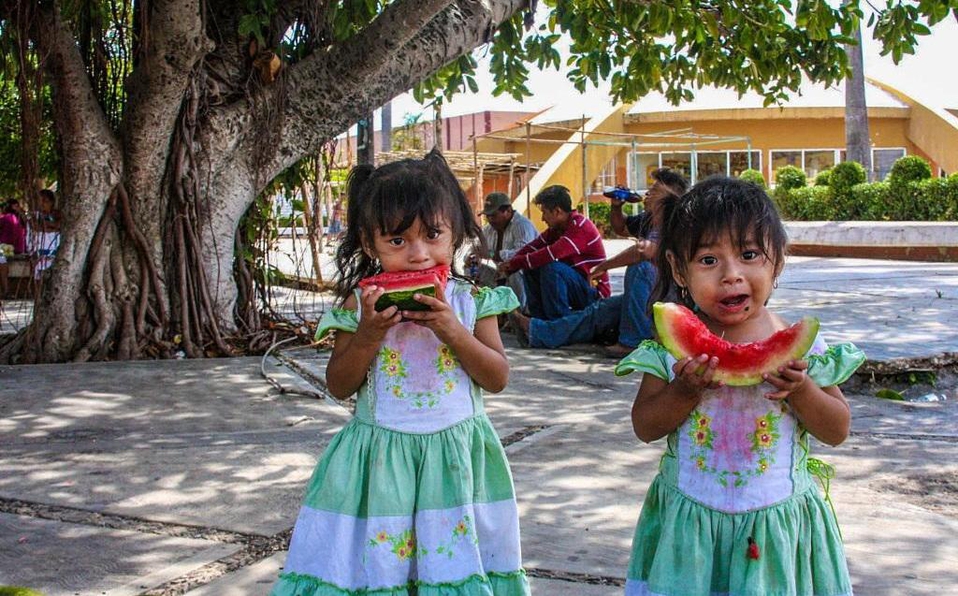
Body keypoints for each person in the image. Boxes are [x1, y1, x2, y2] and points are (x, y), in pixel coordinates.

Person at [271, 149, 530, 596]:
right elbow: (339, 385)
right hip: (378, 462)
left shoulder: (473, 301)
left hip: (454, 462)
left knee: (447, 565)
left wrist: (454, 331)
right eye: (397, 241)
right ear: (370, 245)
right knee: (383, 569)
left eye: (432, 235)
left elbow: (497, 377)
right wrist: (369, 333)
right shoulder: (359, 304)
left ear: (456, 235)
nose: (418, 255)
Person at [615, 176, 865, 596]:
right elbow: (645, 425)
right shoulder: (669, 347)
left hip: (774, 525)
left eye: (749, 255)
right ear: (679, 269)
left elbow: (837, 429)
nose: (731, 276)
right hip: (693, 527)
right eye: (708, 260)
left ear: (777, 263)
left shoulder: (805, 346)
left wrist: (802, 390)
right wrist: (684, 391)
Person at [509, 169, 688, 354]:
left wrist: (603, 267)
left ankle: (632, 342)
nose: (648, 193)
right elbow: (621, 227)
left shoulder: (676, 224)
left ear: (669, 196)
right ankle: (536, 330)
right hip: (646, 298)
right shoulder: (649, 220)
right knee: (598, 311)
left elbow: (644, 250)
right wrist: (617, 206)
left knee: (640, 267)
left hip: (668, 299)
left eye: (655, 189)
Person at [501, 184, 610, 320]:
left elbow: (552, 253)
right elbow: (532, 247)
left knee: (552, 268)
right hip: (578, 286)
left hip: (595, 293)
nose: (542, 218)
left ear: (557, 211)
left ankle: (557, 323)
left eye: (544, 212)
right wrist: (512, 263)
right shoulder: (557, 229)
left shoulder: (581, 227)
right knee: (531, 267)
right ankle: (539, 320)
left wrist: (515, 263)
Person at [467, 191, 538, 310]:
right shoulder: (489, 229)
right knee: (478, 271)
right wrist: (472, 257)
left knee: (515, 271)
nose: (490, 219)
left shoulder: (522, 225)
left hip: (528, 274)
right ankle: (489, 311)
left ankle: (520, 312)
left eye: (494, 215)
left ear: (508, 211)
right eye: (487, 216)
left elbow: (523, 253)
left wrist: (496, 255)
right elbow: (477, 248)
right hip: (500, 271)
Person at [30, 189, 61, 279]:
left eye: (46, 201)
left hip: (54, 246)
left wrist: (47, 226)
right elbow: (36, 227)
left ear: (52, 202)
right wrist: (52, 227)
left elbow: (59, 225)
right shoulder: (35, 215)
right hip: (40, 246)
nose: (42, 204)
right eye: (41, 201)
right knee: (38, 270)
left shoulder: (57, 214)